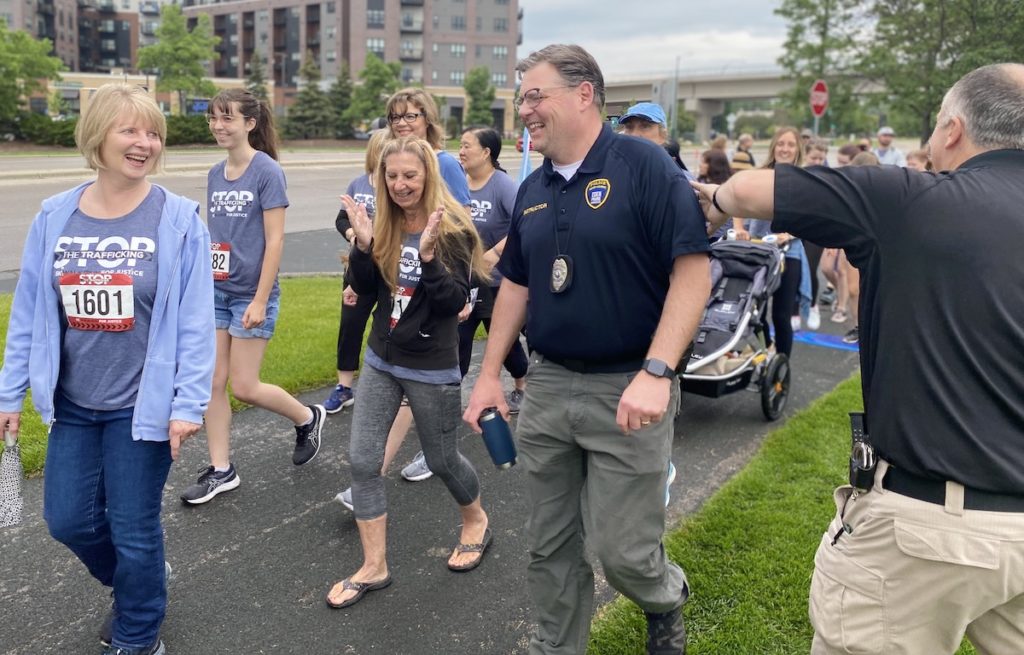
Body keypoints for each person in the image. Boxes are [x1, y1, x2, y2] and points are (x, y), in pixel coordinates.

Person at [690, 63, 1024, 655]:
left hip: (925, 530)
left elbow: (750, 190)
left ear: (952, 129)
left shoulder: (909, 198)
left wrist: (716, 200)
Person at [464, 44, 711, 655]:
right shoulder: (534, 189)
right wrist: (490, 373)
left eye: (534, 95)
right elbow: (518, 283)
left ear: (584, 94)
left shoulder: (645, 167)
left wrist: (658, 371)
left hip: (628, 386)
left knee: (625, 552)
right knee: (549, 544)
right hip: (547, 387)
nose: (524, 110)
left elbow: (692, 270)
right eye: (521, 97)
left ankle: (663, 597)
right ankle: (558, 646)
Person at [0, 83, 215, 655]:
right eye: (130, 130)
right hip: (72, 402)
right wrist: (8, 395)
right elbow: (30, 309)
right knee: (67, 521)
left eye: (153, 133)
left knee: (134, 530)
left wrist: (188, 403)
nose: (145, 143)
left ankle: (139, 636)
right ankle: (136, 587)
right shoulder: (55, 216)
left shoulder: (177, 220)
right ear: (97, 135)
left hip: (141, 406)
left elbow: (195, 320)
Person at [326, 136, 493, 608]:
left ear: (428, 177)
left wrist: (428, 259)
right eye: (391, 176)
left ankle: (476, 520)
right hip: (382, 358)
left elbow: (455, 303)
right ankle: (373, 565)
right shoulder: (386, 221)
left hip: (431, 365)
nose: (400, 185)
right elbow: (365, 288)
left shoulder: (452, 229)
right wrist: (363, 245)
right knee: (362, 461)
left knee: (441, 460)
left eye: (410, 176)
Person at [180, 88, 326, 505]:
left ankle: (306, 417)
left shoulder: (266, 171)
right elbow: (217, 236)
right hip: (216, 291)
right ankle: (222, 470)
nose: (217, 126)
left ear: (250, 123)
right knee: (212, 381)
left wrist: (261, 299)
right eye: (212, 118)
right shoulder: (214, 173)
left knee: (244, 386)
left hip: (252, 293)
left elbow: (274, 241)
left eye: (226, 118)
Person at [382, 87, 472, 484]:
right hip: (404, 285)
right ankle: (374, 471)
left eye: (411, 115)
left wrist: (464, 286)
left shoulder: (443, 163)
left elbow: (464, 223)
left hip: (441, 279)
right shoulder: (395, 164)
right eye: (395, 117)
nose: (402, 123)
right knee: (403, 376)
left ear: (428, 120)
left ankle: (435, 453)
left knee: (433, 377)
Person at [457, 126, 528, 409]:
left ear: (486, 152)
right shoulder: (458, 183)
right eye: (460, 145)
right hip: (464, 280)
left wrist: (496, 252)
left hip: (497, 282)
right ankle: (450, 390)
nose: (460, 151)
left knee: (504, 340)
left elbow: (524, 223)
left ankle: (522, 384)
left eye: (467, 146)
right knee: (457, 337)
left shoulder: (502, 185)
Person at [324, 130, 389, 413]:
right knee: (350, 325)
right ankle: (344, 387)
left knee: (389, 327)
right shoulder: (359, 184)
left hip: (390, 269)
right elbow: (341, 218)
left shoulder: (397, 184)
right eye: (383, 149)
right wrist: (354, 235)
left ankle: (389, 388)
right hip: (358, 267)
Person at [731, 126, 805, 357]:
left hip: (788, 253)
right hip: (758, 250)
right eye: (781, 143)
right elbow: (737, 200)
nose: (785, 148)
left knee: (781, 315)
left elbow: (812, 215)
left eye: (790, 144)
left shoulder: (805, 179)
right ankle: (766, 349)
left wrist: (790, 234)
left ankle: (782, 366)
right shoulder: (760, 174)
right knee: (755, 313)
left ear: (797, 149)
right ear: (774, 147)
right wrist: (739, 227)